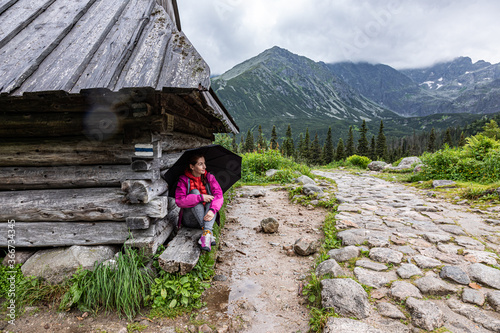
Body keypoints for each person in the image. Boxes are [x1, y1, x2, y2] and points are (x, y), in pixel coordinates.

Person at [174, 154, 223, 251]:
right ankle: (208, 232)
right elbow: (179, 201)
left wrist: (212, 211)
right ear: (192, 167)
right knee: (195, 192)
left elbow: (219, 196)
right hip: (190, 219)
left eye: (204, 163)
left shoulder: (209, 177)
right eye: (200, 164)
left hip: (207, 216)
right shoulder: (183, 180)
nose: (204, 167)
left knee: (212, 200)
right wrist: (200, 197)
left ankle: (206, 233)